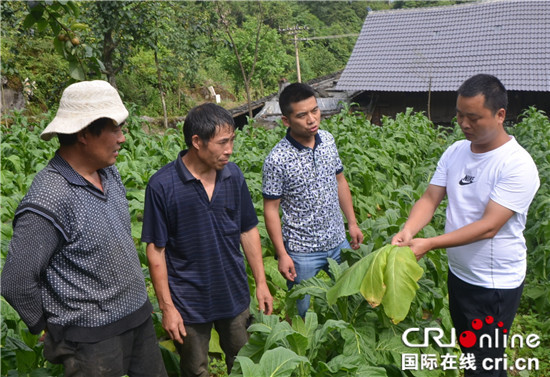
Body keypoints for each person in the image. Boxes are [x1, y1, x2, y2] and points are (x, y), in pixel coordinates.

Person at [1, 80, 167, 377]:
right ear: (83, 133)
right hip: (90, 341)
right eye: (115, 129)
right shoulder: (50, 196)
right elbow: (16, 281)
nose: (122, 138)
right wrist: (46, 329)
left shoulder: (110, 172)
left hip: (138, 321)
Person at [392, 74, 539, 376]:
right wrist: (409, 230)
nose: (463, 123)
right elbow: (430, 198)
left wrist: (430, 243)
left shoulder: (517, 164)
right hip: (461, 274)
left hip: (493, 283)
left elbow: (489, 226)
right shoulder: (456, 151)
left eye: (473, 117)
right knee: (472, 351)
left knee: (485, 363)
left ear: (500, 115)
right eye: (460, 115)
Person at [141, 102, 273, 377]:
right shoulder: (162, 185)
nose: (229, 150)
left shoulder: (233, 176)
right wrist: (167, 308)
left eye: (232, 141)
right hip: (188, 303)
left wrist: (261, 283)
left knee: (243, 365)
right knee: (195, 370)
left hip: (233, 295)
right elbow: (156, 250)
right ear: (197, 141)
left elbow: (247, 230)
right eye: (223, 142)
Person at [262, 83, 364, 317]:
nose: (311, 119)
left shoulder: (327, 140)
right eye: (302, 115)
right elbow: (271, 209)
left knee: (351, 301)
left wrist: (353, 223)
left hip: (338, 242)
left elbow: (340, 181)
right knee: (300, 312)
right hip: (301, 250)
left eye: (314, 111)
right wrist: (282, 253)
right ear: (286, 121)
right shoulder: (277, 160)